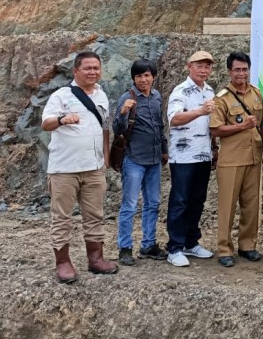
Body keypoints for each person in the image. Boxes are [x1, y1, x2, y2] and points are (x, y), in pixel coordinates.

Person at [41, 51, 118, 282]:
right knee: (62, 217)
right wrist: (63, 119)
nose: (93, 72)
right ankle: (63, 262)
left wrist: (105, 157)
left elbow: (104, 126)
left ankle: (95, 259)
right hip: (64, 169)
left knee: (95, 215)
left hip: (93, 168)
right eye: (87, 68)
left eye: (96, 68)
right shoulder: (61, 96)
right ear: (76, 71)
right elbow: (45, 123)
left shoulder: (102, 96)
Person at [211, 51, 263, 267]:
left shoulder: (256, 94)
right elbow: (216, 130)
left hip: (254, 157)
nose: (241, 73)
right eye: (237, 69)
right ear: (229, 71)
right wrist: (240, 126)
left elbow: (261, 125)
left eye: (244, 69)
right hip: (231, 160)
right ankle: (224, 249)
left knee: (251, 205)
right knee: (228, 205)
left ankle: (247, 245)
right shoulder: (222, 98)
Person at [114, 58, 169, 265]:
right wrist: (122, 113)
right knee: (129, 204)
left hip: (154, 160)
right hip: (134, 159)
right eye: (139, 76)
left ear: (153, 77)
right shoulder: (126, 98)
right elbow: (117, 129)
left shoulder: (156, 97)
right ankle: (125, 248)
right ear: (134, 78)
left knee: (153, 203)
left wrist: (164, 151)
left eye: (147, 75)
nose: (143, 80)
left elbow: (159, 126)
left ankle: (148, 244)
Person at [165, 50, 217, 267]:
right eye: (199, 65)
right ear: (189, 66)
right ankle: (174, 247)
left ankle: (190, 242)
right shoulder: (180, 91)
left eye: (207, 66)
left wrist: (214, 147)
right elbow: (174, 119)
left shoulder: (210, 90)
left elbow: (209, 124)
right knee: (180, 201)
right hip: (183, 156)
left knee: (197, 200)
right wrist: (199, 111)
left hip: (203, 153)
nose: (203, 70)